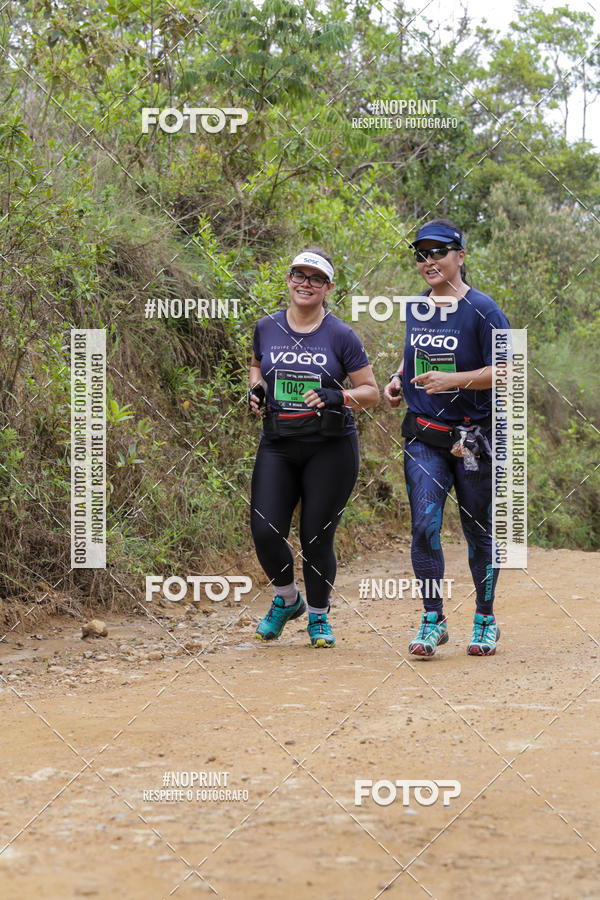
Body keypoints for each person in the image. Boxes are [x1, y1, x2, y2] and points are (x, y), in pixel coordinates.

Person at [384, 218, 510, 657]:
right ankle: (433, 620)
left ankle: (485, 619)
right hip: (424, 438)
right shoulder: (417, 307)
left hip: (473, 441)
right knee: (424, 527)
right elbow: (411, 360)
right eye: (421, 254)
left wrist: (454, 380)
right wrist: (397, 381)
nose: (429, 260)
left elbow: (509, 369)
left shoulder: (484, 310)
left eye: (438, 251)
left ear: (460, 256)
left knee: (478, 531)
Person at [249, 248, 379, 647]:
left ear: (328, 287)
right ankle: (287, 600)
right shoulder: (266, 326)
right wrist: (255, 389)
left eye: (316, 278)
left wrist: (335, 396)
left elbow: (371, 392)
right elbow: (257, 364)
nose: (306, 284)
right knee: (264, 530)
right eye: (299, 276)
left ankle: (319, 618)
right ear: (288, 280)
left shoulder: (340, 335)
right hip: (278, 443)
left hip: (330, 447)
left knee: (315, 537)